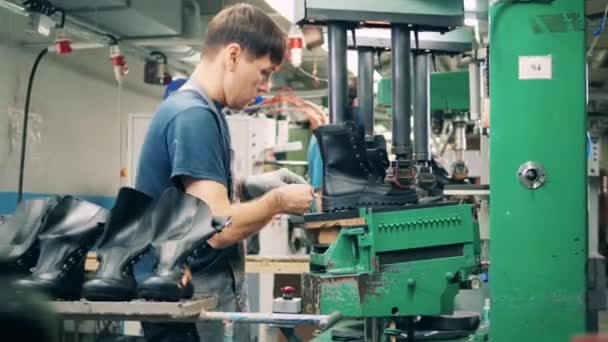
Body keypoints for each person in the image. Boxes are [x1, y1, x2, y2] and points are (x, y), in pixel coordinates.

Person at [134, 3, 313, 341]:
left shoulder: (204, 110)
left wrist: (248, 187)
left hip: (195, 297)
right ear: (232, 56)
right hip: (189, 305)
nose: (266, 87)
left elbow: (190, 207)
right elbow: (218, 229)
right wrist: (277, 201)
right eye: (264, 72)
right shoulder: (193, 115)